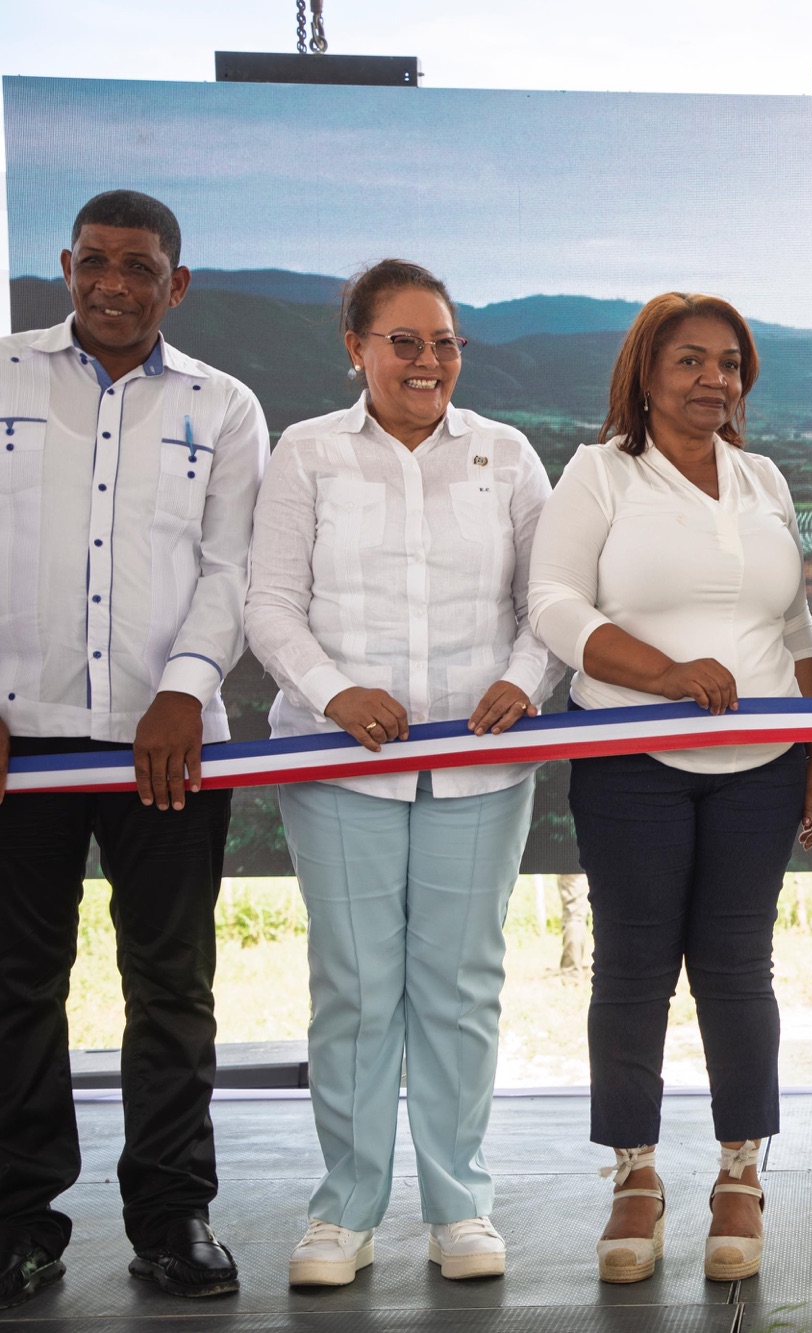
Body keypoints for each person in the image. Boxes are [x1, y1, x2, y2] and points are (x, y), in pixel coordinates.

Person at [245, 259, 563, 1286]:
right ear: (356, 348)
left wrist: (522, 681)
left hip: (480, 763)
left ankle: (460, 1205)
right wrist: (334, 693)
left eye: (445, 342)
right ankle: (342, 1212)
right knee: (354, 987)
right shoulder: (307, 454)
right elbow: (268, 603)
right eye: (404, 341)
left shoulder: (508, 456)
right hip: (339, 766)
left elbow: (546, 603)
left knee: (461, 985)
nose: (428, 362)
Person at [528, 292, 812, 1284]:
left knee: (739, 969)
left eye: (730, 363)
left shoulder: (760, 478)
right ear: (646, 375)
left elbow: (792, 627)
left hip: (762, 763)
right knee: (631, 967)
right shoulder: (599, 475)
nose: (713, 379)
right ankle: (634, 1175)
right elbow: (552, 604)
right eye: (690, 361)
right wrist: (661, 675)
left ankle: (741, 1172)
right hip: (629, 759)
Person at [0, 190, 268, 1308]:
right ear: (65, 264)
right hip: (22, 747)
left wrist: (183, 689)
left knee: (170, 985)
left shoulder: (227, 404)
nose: (113, 284)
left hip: (167, 743)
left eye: (140, 267)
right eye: (94, 263)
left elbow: (231, 567)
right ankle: (18, 1220)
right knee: (16, 985)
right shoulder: (4, 376)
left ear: (177, 282)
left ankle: (172, 1215)